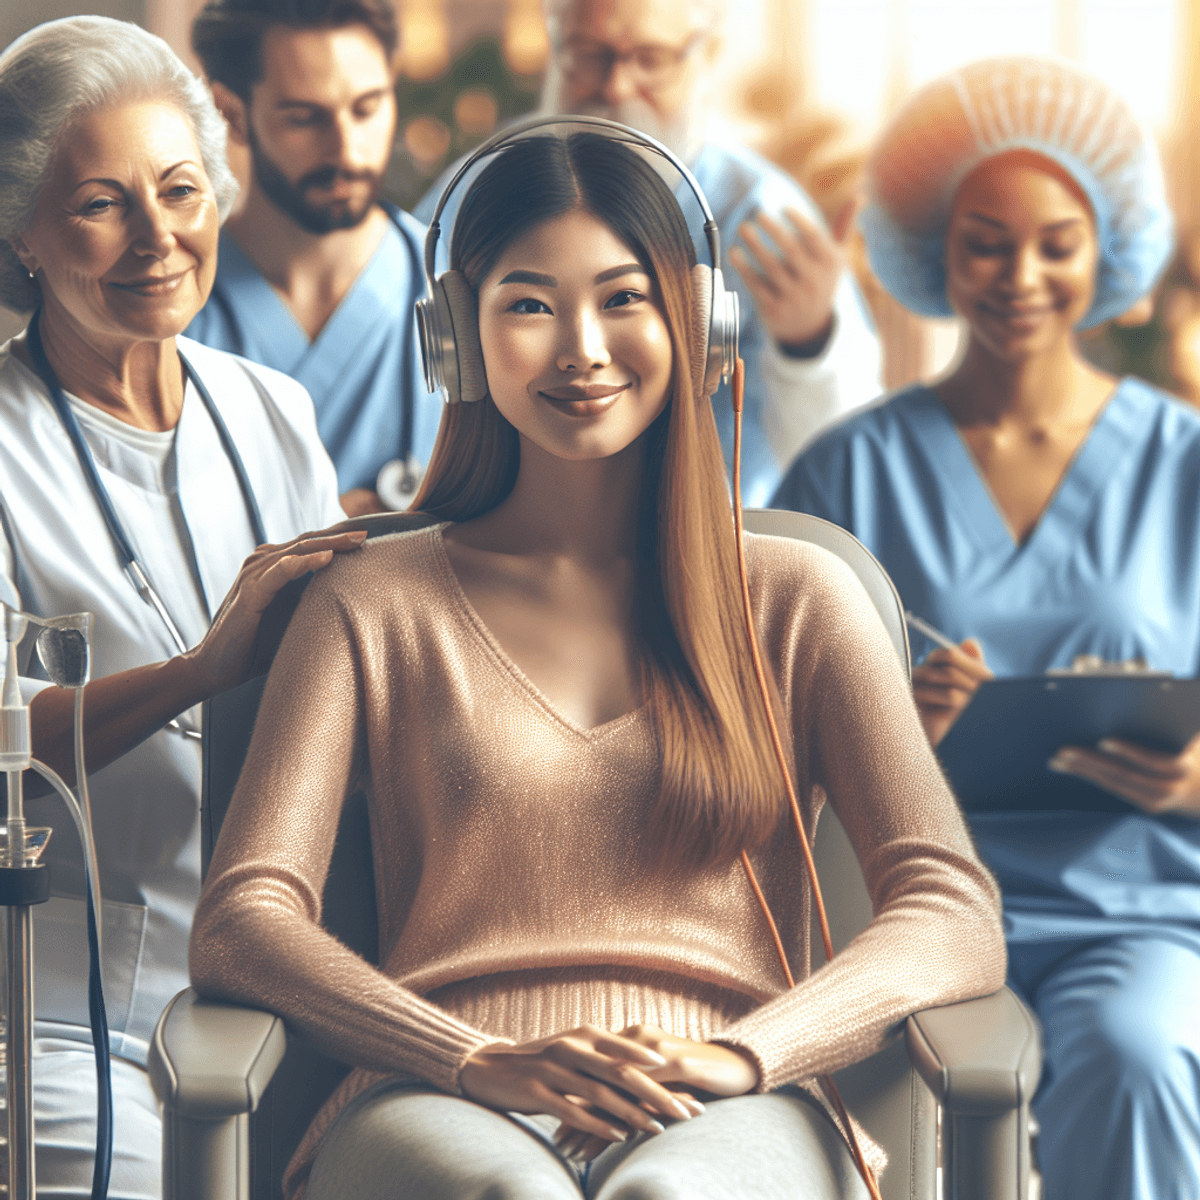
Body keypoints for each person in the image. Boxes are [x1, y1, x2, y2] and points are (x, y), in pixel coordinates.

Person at [190, 126, 1004, 1200]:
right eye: (528, 304)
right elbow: (244, 918)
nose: (581, 346)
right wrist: (467, 1056)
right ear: (458, 344)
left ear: (701, 325)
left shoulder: (800, 598)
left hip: (728, 1095)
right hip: (440, 1088)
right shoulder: (368, 602)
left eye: (624, 298)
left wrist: (743, 1054)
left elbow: (949, 905)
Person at [773, 57, 1199, 1200]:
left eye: (1056, 242)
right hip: (906, 910)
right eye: (984, 243)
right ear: (931, 251)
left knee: (1139, 1055)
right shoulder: (847, 471)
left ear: (1106, 248)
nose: (1021, 276)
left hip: (1135, 911)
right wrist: (889, 731)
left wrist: (1194, 779)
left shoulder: (1185, 463)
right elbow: (755, 738)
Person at [0, 16, 362, 1196]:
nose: (159, 237)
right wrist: (203, 672)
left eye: (181, 189)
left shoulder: (273, 412)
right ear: (22, 231)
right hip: (65, 1020)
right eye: (102, 204)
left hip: (286, 996)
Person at [413, 0, 882, 506]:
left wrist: (810, 344)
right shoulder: (465, 198)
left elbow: (847, 468)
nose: (616, 86)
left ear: (708, 55)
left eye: (650, 58)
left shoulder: (764, 218)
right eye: (589, 55)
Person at [186, 0, 442, 516]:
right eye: (305, 119)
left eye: (367, 108)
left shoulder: (458, 288)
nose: (347, 148)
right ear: (232, 113)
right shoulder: (175, 309)